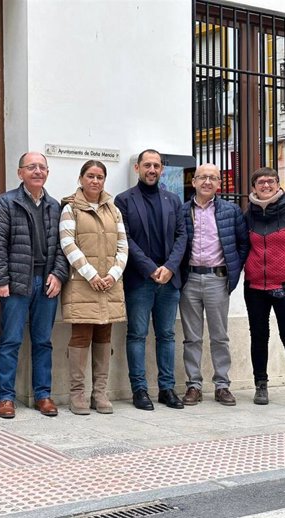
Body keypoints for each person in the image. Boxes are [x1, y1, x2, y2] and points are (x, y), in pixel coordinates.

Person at [0, 152, 69, 419]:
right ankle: (6, 398)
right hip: (16, 282)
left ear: (48, 172)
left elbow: (62, 246)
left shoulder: (55, 206)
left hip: (46, 282)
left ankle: (43, 395)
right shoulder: (6, 202)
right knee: (10, 340)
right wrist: (0, 280)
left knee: (43, 342)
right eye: (31, 167)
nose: (37, 171)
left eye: (42, 167)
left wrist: (58, 274)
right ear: (20, 172)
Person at [114, 149, 187, 411]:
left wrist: (168, 267)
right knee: (137, 335)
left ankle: (167, 388)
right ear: (137, 168)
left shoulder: (173, 200)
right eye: (147, 165)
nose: (152, 170)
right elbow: (125, 239)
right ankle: (140, 390)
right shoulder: (123, 200)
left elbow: (182, 237)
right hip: (140, 280)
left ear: (162, 169)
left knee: (167, 335)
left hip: (169, 281)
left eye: (156, 165)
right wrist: (149, 268)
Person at [59, 160, 128, 415]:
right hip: (82, 284)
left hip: (109, 284)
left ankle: (100, 393)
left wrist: (112, 274)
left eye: (100, 177)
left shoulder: (114, 209)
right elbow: (68, 244)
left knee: (104, 335)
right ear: (81, 179)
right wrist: (91, 275)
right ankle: (77, 394)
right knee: (80, 336)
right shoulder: (71, 208)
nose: (95, 181)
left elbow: (123, 245)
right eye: (90, 176)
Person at [179, 164, 249, 406]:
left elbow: (243, 245)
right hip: (189, 280)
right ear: (194, 181)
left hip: (217, 279)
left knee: (219, 336)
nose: (207, 182)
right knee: (192, 337)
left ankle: (222, 385)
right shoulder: (182, 210)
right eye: (202, 177)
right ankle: (194, 385)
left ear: (219, 183)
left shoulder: (231, 211)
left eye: (213, 178)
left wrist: (232, 274)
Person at [244, 167, 285, 408]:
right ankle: (261, 385)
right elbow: (244, 246)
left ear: (278, 184)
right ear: (254, 187)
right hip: (254, 288)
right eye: (260, 182)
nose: (265, 186)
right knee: (259, 337)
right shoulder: (248, 215)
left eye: (270, 181)